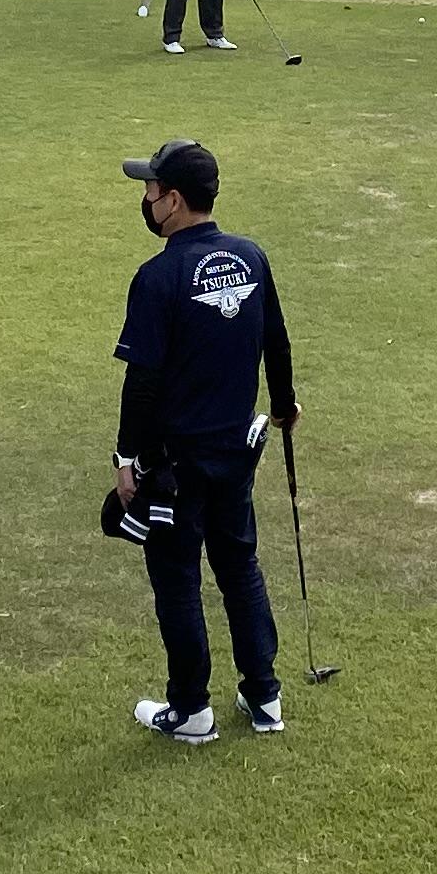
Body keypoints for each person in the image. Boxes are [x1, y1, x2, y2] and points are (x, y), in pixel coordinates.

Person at [111, 137, 299, 744]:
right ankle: (264, 696)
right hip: (234, 455)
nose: (144, 198)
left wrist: (126, 459)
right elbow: (277, 339)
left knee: (177, 581)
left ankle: (191, 711)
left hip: (175, 464)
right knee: (239, 567)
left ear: (173, 201)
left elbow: (143, 382)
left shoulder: (159, 276)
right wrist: (284, 401)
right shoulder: (250, 257)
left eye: (149, 189)